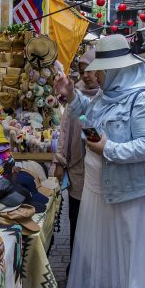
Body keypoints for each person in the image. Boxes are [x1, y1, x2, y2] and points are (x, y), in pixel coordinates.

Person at [54, 34, 145, 288]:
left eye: (101, 70)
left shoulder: (141, 98)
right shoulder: (108, 94)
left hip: (126, 190)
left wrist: (110, 150)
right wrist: (71, 96)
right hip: (99, 187)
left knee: (125, 248)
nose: (97, 75)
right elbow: (88, 117)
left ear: (117, 70)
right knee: (102, 249)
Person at [52, 48, 100, 273]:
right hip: (78, 168)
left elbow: (94, 132)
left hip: (99, 170)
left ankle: (94, 267)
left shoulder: (106, 97)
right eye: (82, 72)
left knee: (95, 223)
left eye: (90, 71)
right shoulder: (75, 96)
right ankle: (76, 265)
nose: (86, 76)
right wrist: (60, 161)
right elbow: (65, 129)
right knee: (76, 217)